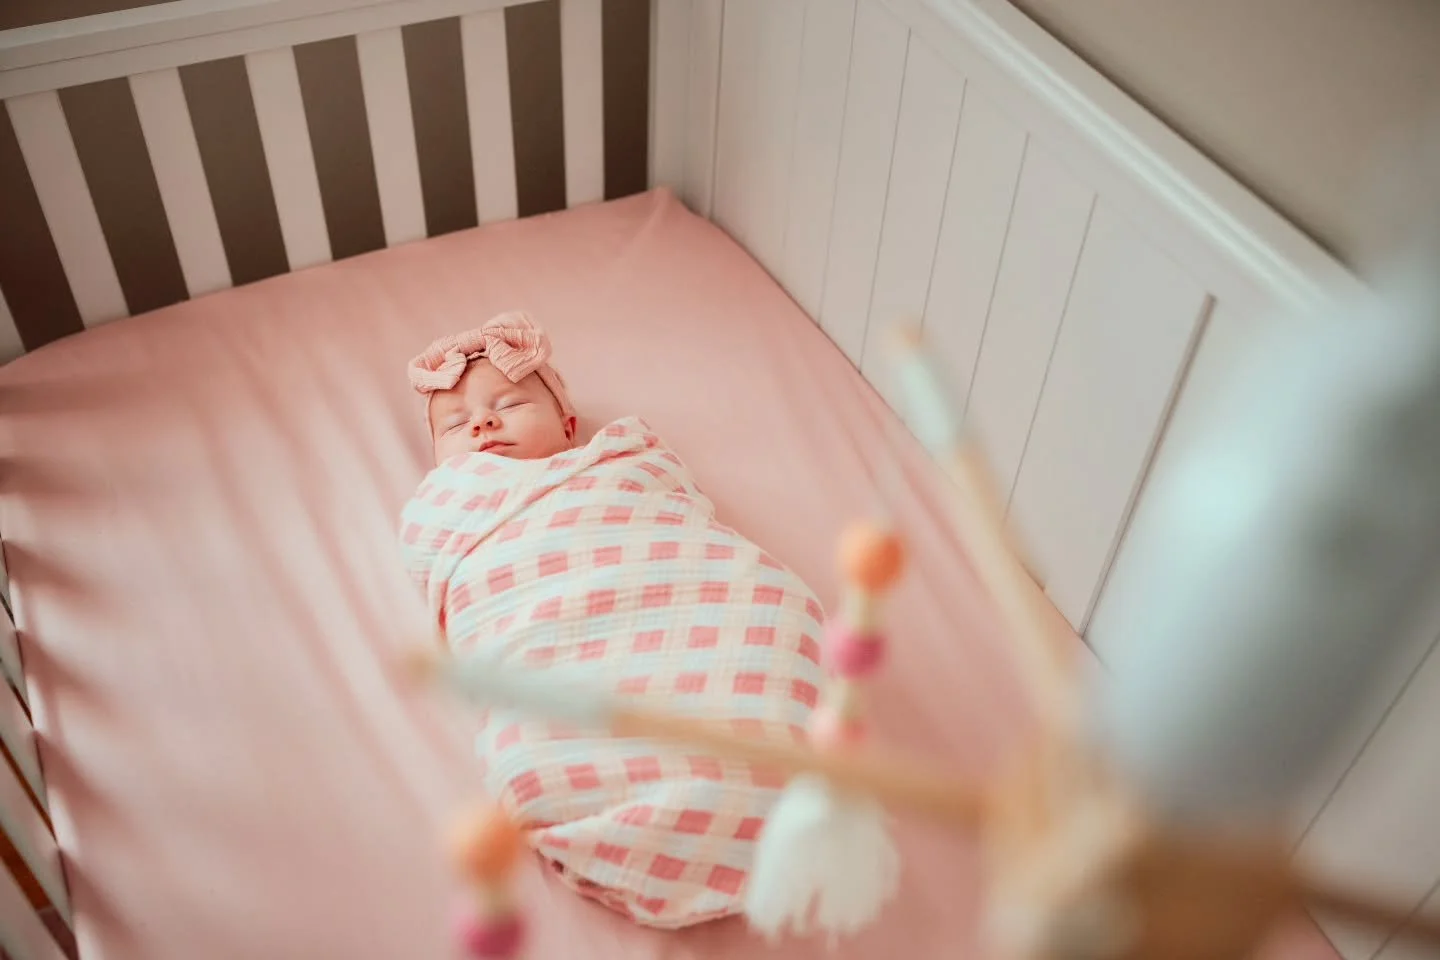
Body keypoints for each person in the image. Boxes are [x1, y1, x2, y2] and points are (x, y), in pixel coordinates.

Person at [399, 312, 827, 929]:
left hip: (675, 587)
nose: (483, 423)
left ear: (569, 426)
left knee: (774, 609)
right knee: (534, 733)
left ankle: (772, 749)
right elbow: (436, 565)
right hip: (536, 624)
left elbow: (675, 509)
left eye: (509, 404)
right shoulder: (447, 509)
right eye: (455, 425)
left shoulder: (621, 462)